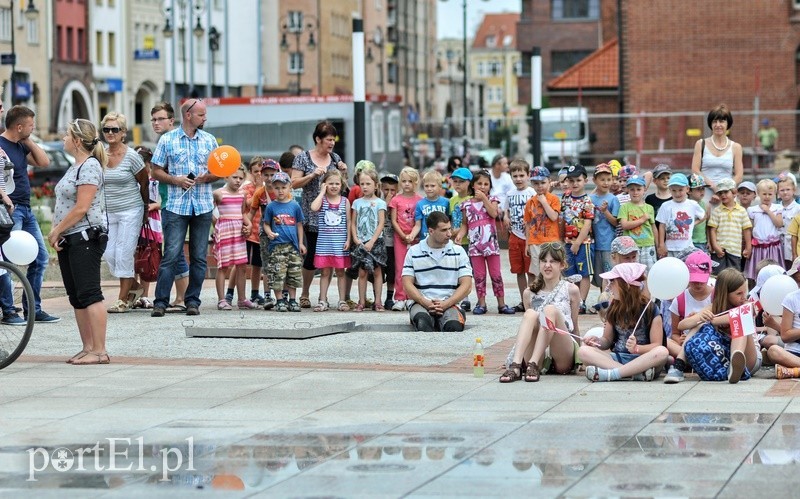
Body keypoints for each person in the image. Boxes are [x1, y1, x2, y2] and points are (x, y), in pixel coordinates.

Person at [149, 98, 219, 317]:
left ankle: (192, 301)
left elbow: (221, 171)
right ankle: (160, 302)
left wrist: (207, 177)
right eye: (201, 114)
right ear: (188, 115)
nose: (205, 118)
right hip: (176, 205)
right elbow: (155, 171)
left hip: (203, 204)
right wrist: (176, 180)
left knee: (199, 257)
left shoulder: (209, 140)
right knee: (170, 254)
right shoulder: (167, 140)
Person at [47, 119, 109, 364]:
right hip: (70, 236)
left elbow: (81, 207)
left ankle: (100, 350)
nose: (62, 138)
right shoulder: (75, 166)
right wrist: (59, 232)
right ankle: (88, 346)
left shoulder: (90, 166)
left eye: (66, 135)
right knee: (76, 296)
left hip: (86, 236)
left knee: (90, 293)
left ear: (77, 141)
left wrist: (55, 230)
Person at [0, 105, 59, 324]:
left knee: (40, 257)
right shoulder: (1, 145)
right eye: (31, 126)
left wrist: (28, 140)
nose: (33, 129)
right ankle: (8, 311)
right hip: (8, 210)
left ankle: (33, 309)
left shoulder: (21, 145)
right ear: (19, 126)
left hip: (26, 208)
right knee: (6, 260)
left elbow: (44, 162)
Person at [500, 242, 580, 383]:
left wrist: (582, 358)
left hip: (562, 351)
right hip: (538, 348)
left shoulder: (571, 289)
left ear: (562, 265)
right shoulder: (529, 293)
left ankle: (533, 364)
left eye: (553, 261)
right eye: (544, 261)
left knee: (550, 310)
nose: (547, 265)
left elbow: (574, 324)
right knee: (530, 314)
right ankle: (516, 365)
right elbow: (530, 330)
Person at [291, 121, 348, 309]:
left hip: (332, 219)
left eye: (333, 139)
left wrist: (343, 171)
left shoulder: (335, 157)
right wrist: (312, 175)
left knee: (330, 257)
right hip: (311, 214)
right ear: (318, 139)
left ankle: (324, 297)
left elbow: (341, 183)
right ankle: (305, 293)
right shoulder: (303, 158)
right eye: (328, 140)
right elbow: (293, 183)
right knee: (312, 256)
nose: (331, 143)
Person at [578, 263, 669, 382]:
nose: (608, 287)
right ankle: (631, 373)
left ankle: (614, 373)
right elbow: (607, 340)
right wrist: (597, 341)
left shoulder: (650, 309)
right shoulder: (614, 307)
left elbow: (657, 345)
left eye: (612, 282)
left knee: (662, 352)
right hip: (618, 358)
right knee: (583, 351)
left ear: (625, 285)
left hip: (645, 360)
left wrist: (637, 348)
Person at [100, 112, 149, 313]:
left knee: (123, 253)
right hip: (108, 211)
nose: (110, 133)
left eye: (115, 129)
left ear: (123, 133)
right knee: (109, 253)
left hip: (131, 210)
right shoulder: (100, 153)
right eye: (106, 129)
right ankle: (135, 288)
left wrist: (145, 209)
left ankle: (122, 299)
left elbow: (144, 183)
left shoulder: (132, 157)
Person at [683, 268, 759, 383]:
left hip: (750, 358)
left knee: (740, 319)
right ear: (725, 294)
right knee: (699, 324)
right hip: (725, 357)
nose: (744, 296)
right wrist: (699, 317)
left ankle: (735, 363)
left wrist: (712, 320)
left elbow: (733, 316)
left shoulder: (747, 305)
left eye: (745, 292)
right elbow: (682, 325)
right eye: (739, 293)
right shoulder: (714, 307)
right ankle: (679, 362)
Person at [455, 170, 514, 315]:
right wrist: (460, 235)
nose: (483, 186)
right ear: (473, 185)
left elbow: (494, 213)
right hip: (475, 247)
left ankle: (501, 304)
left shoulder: (492, 199)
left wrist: (484, 199)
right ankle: (481, 304)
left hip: (491, 246)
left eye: (486, 184)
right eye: (479, 183)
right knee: (479, 276)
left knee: (496, 275)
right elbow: (465, 224)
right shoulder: (466, 205)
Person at [402, 211, 472, 332]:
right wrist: (425, 302)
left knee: (454, 327)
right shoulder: (414, 251)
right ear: (431, 231)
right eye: (444, 230)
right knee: (422, 323)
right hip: (421, 303)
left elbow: (467, 284)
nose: (449, 234)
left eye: (449, 229)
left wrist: (447, 303)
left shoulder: (458, 251)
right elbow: (407, 283)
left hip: (450, 303)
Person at [150, 102, 189, 312]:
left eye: (160, 119)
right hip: (167, 202)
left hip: (175, 204)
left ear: (171, 120)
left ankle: (182, 296)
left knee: (174, 251)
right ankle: (181, 296)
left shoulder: (172, 142)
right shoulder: (163, 141)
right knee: (175, 251)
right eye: (153, 119)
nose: (156, 123)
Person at [663, 251, 715, 383]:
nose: (698, 284)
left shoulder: (716, 296)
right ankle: (690, 359)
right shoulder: (679, 300)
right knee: (666, 341)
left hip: (710, 343)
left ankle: (685, 362)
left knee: (698, 324)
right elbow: (674, 333)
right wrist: (680, 340)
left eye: (701, 280)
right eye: (694, 280)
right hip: (685, 345)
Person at [213, 166, 255, 310]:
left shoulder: (242, 194)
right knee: (223, 266)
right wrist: (217, 224)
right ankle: (222, 299)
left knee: (242, 265)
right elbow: (208, 211)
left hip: (238, 232)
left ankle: (242, 299)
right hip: (224, 232)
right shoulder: (219, 193)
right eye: (234, 177)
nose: (238, 181)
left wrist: (248, 225)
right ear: (226, 177)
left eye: (240, 178)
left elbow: (242, 212)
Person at [262, 172, 305, 312]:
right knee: (278, 274)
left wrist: (301, 243)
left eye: (283, 187)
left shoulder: (295, 206)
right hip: (277, 246)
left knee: (293, 274)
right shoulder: (271, 207)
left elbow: (299, 224)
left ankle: (292, 300)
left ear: (290, 187)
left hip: (293, 246)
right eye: (277, 188)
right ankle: (280, 300)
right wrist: (269, 232)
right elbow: (266, 224)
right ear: (273, 189)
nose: (280, 191)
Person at [310, 170, 351, 312]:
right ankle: (322, 300)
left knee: (340, 272)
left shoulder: (345, 201)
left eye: (337, 183)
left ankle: (342, 300)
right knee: (325, 273)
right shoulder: (322, 200)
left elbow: (349, 222)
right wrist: (322, 193)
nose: (334, 186)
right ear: (325, 185)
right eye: (330, 183)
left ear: (341, 185)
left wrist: (348, 239)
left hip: (339, 243)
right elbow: (313, 207)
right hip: (324, 244)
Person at [560, 164, 595, 313]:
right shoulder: (566, 197)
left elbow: (587, 224)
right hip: (567, 242)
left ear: (585, 181)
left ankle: (581, 301)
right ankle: (571, 300)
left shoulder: (587, 201)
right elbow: (562, 219)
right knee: (569, 272)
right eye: (571, 180)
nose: (575, 183)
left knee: (584, 273)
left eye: (578, 180)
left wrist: (578, 243)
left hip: (584, 243)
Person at [691, 104, 744, 200]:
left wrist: (723, 190)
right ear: (710, 124)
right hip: (705, 195)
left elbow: (739, 176)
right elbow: (695, 170)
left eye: (722, 121)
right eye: (714, 121)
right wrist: (714, 187)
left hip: (727, 196)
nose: (718, 125)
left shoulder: (736, 147)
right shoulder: (700, 144)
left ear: (728, 124)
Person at [350, 169, 386, 311]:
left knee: (377, 272)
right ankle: (361, 301)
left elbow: (381, 223)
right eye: (362, 184)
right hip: (361, 242)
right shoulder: (357, 203)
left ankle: (378, 301)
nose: (365, 187)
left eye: (368, 183)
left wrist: (372, 241)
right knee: (362, 272)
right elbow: (353, 222)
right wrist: (355, 238)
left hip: (376, 242)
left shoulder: (380, 203)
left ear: (376, 185)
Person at [503, 160, 536, 311]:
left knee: (531, 271)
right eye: (515, 175)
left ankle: (532, 299)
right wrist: (505, 217)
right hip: (514, 236)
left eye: (522, 175)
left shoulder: (531, 193)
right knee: (518, 270)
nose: (518, 179)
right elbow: (506, 210)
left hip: (529, 237)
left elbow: (537, 213)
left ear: (528, 175)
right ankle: (523, 299)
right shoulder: (510, 194)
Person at [132, 146, 162, 309]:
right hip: (134, 221)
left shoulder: (155, 181)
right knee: (134, 257)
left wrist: (153, 206)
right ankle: (132, 292)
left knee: (147, 256)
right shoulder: (131, 181)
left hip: (152, 222)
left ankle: (144, 295)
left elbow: (163, 200)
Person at [388, 167, 422, 311]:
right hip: (399, 237)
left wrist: (412, 236)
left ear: (415, 183)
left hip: (416, 237)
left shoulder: (420, 200)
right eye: (404, 181)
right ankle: (400, 297)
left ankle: (412, 297)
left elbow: (420, 221)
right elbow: (394, 220)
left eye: (410, 181)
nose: (407, 184)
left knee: (415, 267)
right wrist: (402, 235)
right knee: (400, 267)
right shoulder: (396, 200)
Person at [656, 173, 706, 259]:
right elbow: (662, 225)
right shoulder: (665, 206)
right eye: (674, 190)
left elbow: (703, 216)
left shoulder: (693, 204)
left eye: (680, 190)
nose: (677, 193)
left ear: (687, 189)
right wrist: (661, 245)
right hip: (670, 248)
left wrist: (693, 223)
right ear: (669, 190)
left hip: (687, 248)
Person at [708, 178, 752, 273]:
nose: (723, 195)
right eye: (720, 193)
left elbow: (746, 229)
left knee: (734, 277)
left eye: (726, 192)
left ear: (734, 192)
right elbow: (712, 230)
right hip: (720, 250)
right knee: (718, 276)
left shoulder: (741, 211)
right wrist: (715, 246)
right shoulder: (717, 211)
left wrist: (748, 247)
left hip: (735, 250)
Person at [524, 166, 561, 278]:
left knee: (553, 270)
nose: (539, 186)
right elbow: (528, 223)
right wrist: (527, 244)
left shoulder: (554, 199)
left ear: (549, 182)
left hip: (551, 241)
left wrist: (544, 202)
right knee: (538, 272)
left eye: (542, 182)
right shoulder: (530, 202)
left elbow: (554, 217)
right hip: (535, 242)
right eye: (536, 183)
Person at [589, 163, 620, 292]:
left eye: (609, 179)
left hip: (608, 244)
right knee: (599, 275)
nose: (606, 183)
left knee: (609, 274)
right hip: (595, 244)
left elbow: (616, 222)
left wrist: (605, 211)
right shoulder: (590, 199)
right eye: (602, 179)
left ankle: (610, 301)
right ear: (594, 180)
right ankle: (603, 301)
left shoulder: (613, 199)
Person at [746, 178, 784, 280]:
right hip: (758, 247)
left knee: (774, 274)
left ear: (774, 194)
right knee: (757, 273)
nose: (767, 197)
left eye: (770, 194)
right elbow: (750, 229)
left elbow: (779, 224)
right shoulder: (752, 210)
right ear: (758, 193)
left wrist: (768, 211)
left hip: (773, 247)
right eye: (764, 194)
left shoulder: (777, 208)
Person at [448, 167, 473, 311]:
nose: (457, 184)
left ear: (469, 183)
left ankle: (467, 295)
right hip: (455, 241)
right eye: (455, 181)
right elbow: (450, 219)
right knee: (457, 271)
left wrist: (459, 231)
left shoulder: (471, 199)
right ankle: (464, 298)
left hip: (470, 241)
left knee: (469, 272)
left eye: (461, 182)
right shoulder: (452, 201)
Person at [411, 169, 449, 241]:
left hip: (442, 240)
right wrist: (412, 235)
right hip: (425, 240)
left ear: (440, 187)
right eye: (426, 186)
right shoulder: (420, 204)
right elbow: (417, 225)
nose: (429, 188)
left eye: (432, 186)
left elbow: (449, 221)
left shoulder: (446, 202)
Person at [380, 173, 399, 310]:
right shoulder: (378, 202)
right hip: (380, 242)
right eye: (386, 189)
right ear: (381, 188)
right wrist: (386, 204)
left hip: (394, 243)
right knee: (378, 271)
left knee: (392, 271)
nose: (389, 193)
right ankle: (377, 297)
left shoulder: (399, 202)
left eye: (393, 190)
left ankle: (389, 297)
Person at [776, 172, 800, 270]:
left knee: (793, 270)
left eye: (788, 189)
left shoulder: (798, 208)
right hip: (777, 246)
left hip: (792, 247)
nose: (785, 192)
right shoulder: (776, 208)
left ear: (794, 190)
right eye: (782, 190)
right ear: (777, 193)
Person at [687, 173, 709, 251]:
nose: (702, 191)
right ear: (689, 190)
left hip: (702, 242)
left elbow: (707, 225)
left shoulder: (705, 206)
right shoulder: (685, 205)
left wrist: (708, 241)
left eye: (703, 188)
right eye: (698, 189)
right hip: (688, 241)